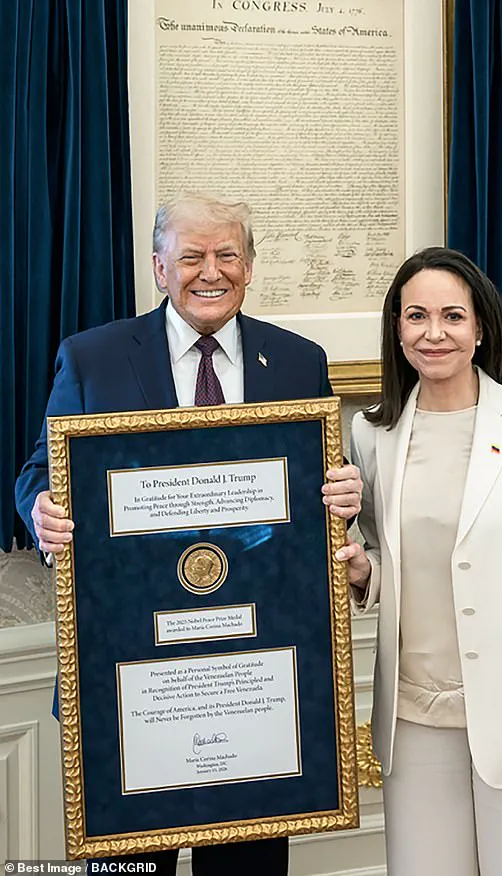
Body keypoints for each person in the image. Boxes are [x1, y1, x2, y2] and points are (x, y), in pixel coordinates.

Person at [15, 192, 362, 876]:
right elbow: (39, 471)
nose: (212, 272)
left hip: (254, 671)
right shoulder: (93, 358)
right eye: (192, 256)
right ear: (159, 268)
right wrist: (42, 509)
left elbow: (314, 492)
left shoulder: (298, 361)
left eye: (228, 255)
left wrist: (344, 498)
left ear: (249, 267)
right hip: (130, 673)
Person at [336, 247, 502, 876]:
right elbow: (383, 555)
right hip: (413, 716)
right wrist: (362, 572)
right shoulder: (371, 434)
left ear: (480, 328)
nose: (433, 333)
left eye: (452, 316)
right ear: (397, 329)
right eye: (416, 316)